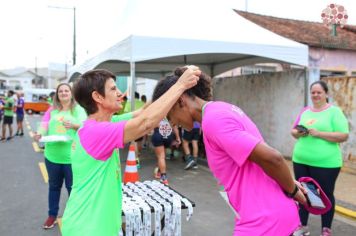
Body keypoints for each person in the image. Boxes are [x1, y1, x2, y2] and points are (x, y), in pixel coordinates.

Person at [152, 67, 307, 236]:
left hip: (263, 221)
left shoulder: (213, 121)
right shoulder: (220, 109)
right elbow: (258, 159)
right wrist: (288, 180)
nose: (172, 124)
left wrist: (293, 191)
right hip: (263, 215)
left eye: (169, 115)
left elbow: (273, 158)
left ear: (180, 101)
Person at [61, 67, 200, 235]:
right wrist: (181, 85)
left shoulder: (106, 124)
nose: (120, 93)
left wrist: (169, 84)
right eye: (113, 89)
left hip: (99, 226)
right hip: (88, 228)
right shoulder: (96, 132)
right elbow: (145, 123)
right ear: (97, 97)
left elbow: (143, 112)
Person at [291, 80, 349, 236]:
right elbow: (293, 131)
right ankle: (302, 226)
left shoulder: (334, 112)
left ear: (326, 94)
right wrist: (299, 133)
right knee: (303, 193)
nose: (315, 95)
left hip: (326, 163)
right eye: (313, 92)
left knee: (325, 194)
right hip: (301, 160)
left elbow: (343, 135)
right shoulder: (305, 111)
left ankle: (326, 229)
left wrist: (319, 133)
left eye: (319, 92)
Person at [33, 83, 87, 229]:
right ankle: (52, 216)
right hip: (52, 156)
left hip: (71, 157)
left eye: (66, 90)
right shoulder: (52, 110)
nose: (63, 93)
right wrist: (39, 134)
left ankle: (76, 216)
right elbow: (44, 125)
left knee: (72, 188)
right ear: (57, 94)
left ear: (71, 93)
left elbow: (85, 125)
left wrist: (74, 125)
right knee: (54, 187)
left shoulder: (78, 109)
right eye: (60, 91)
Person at [152, 119, 181, 185]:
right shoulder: (169, 113)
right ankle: (159, 171)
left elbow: (151, 124)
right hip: (168, 136)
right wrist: (178, 138)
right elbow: (175, 127)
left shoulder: (156, 113)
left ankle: (164, 177)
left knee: (161, 157)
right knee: (162, 156)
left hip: (158, 134)